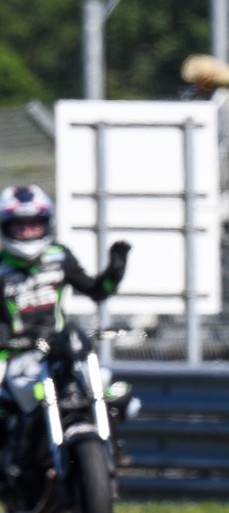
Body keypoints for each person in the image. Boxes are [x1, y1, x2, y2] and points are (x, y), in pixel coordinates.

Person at [0, 184, 131, 462]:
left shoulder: (59, 257)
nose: (27, 232)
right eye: (20, 226)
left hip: (57, 349)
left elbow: (97, 290)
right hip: (10, 352)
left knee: (111, 388)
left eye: (34, 224)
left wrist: (116, 270)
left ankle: (112, 448)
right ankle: (11, 464)